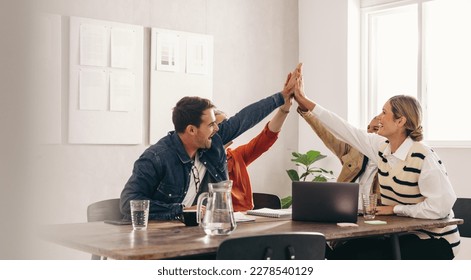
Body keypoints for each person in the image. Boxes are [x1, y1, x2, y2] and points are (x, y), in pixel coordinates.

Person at [293, 71, 460, 259]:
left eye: (384, 112)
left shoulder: (423, 157)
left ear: (400, 121)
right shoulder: (381, 149)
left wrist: (396, 209)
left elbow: (441, 207)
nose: (379, 117)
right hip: (399, 234)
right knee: (341, 254)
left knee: (359, 257)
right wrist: (304, 100)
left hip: (435, 240)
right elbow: (343, 128)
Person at [120, 66, 299, 220]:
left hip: (205, 231)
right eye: (211, 124)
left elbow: (245, 118)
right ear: (191, 130)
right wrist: (179, 210)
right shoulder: (156, 158)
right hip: (163, 236)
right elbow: (129, 203)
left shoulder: (213, 141)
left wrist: (282, 96)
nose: (217, 129)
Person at [214, 94, 292, 212]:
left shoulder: (237, 155)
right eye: (221, 125)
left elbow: (267, 137)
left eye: (227, 123)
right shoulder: (199, 161)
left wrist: (284, 109)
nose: (227, 129)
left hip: (245, 219)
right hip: (219, 221)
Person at [298, 106, 382, 207]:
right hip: (343, 209)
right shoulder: (354, 150)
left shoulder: (390, 158)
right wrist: (307, 113)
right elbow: (327, 135)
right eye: (368, 128)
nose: (369, 132)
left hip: (375, 215)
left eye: (375, 129)